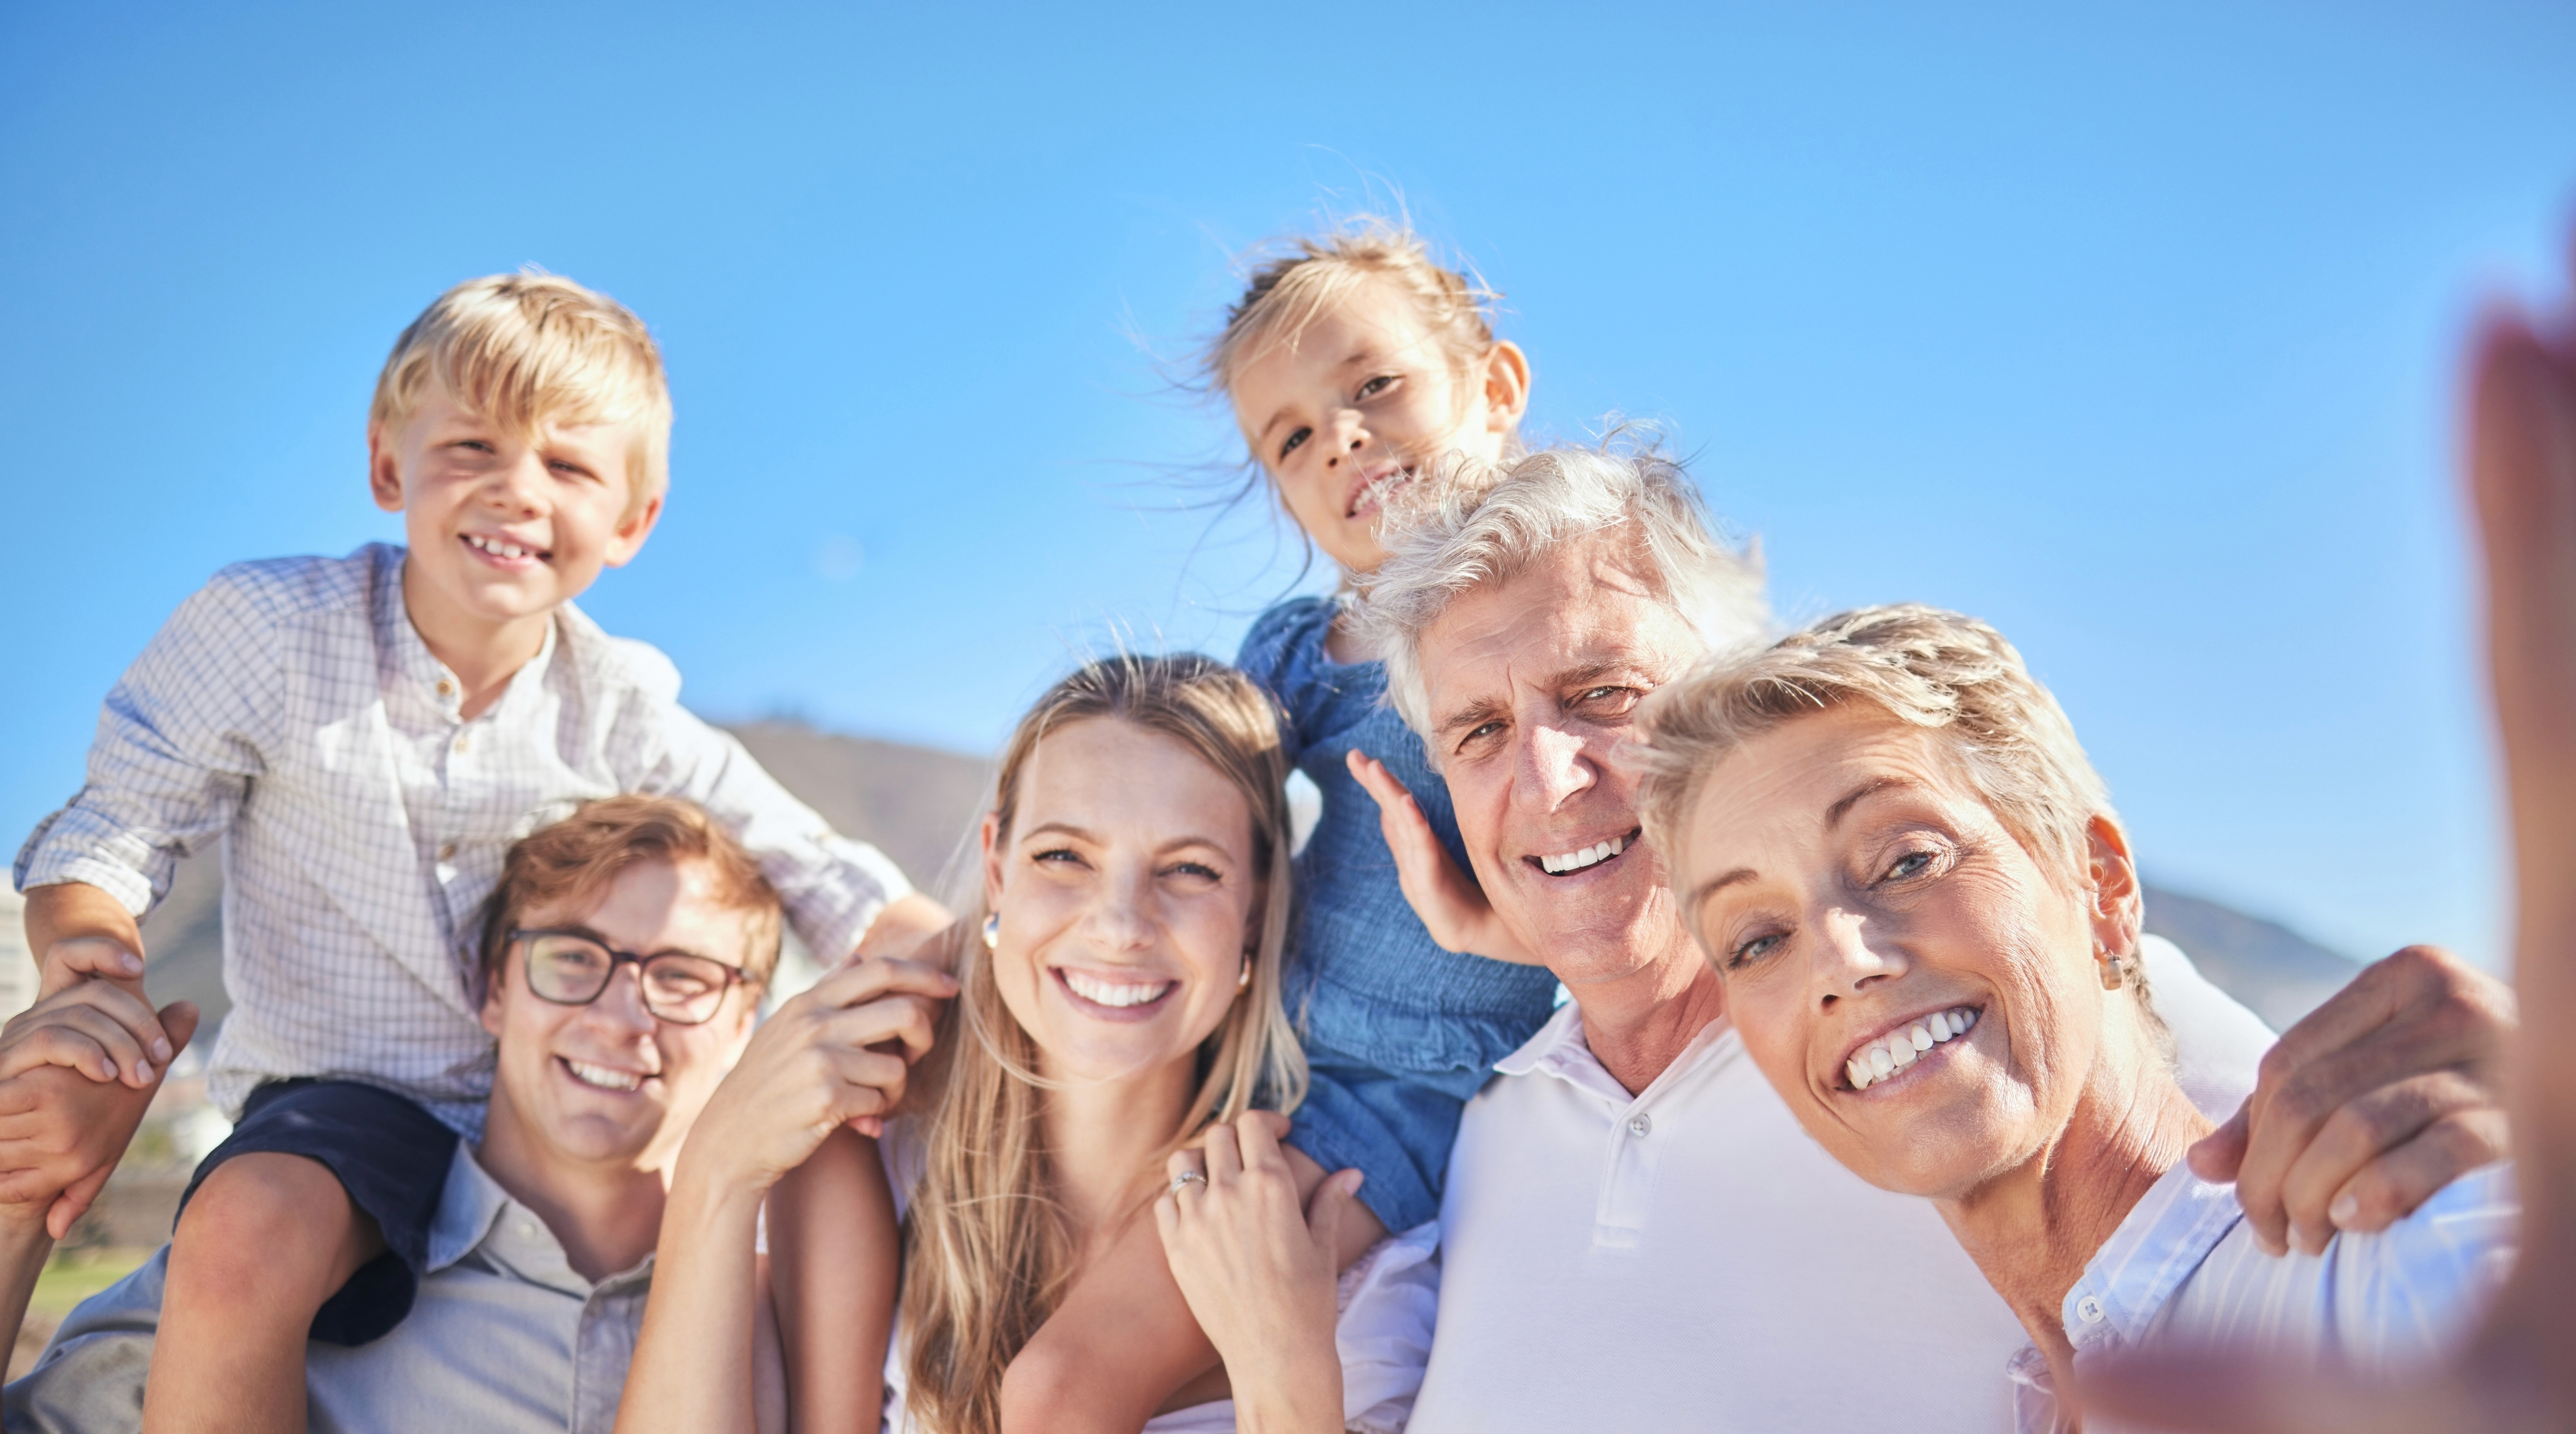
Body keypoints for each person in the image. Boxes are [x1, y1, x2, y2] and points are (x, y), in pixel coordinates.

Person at [1159, 441, 2518, 1431]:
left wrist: (2509, 1096)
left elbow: (2333, 1158)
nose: (1550, 775)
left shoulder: (1927, 1033)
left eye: (1605, 695)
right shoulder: (1475, 1119)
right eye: (1478, 732)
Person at [8, 272, 946, 1434]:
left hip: (537, 1122)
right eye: (473, 447)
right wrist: (91, 965)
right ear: (387, 464)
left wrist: (963, 966)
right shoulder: (274, 632)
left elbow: (816, 867)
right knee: (242, 1240)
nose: (517, 490)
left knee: (826, 1147)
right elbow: (121, 818)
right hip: (338, 1109)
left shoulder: (621, 708)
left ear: (633, 521)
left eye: (569, 467)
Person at [771, 221, 1606, 1433]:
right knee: (1047, 1363)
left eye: (1376, 385)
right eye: (1293, 439)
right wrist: (968, 951)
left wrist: (1513, 937)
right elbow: (1171, 786)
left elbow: (1659, 868)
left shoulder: (1591, 627)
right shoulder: (1314, 653)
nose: (1343, 439)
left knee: (1058, 1389)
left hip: (1390, 1105)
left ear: (1497, 385)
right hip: (1268, 1062)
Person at [1633, 604, 2517, 1430]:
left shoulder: (2396, 1272)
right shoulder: (2000, 1398)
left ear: (2102, 886)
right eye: (1758, 941)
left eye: (1906, 862)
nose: (1841, 960)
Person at [618, 654, 1436, 1434]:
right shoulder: (874, 1187)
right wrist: (714, 1170)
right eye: (1063, 856)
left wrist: (1282, 1374)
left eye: (1190, 869)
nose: (1119, 926)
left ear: (1255, 908)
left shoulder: (1333, 1262)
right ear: (997, 871)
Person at [1, 795, 945, 1433]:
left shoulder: (796, 1316)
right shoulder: (284, 1264)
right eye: (573, 959)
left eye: (684, 978)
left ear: (747, 1022)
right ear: (494, 988)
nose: (622, 1019)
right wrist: (15, 1207)